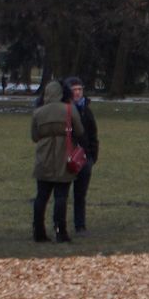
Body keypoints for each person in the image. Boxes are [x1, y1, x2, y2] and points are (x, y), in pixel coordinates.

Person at [30, 78, 86, 243]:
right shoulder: (69, 110)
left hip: (44, 158)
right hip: (64, 157)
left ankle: (38, 231)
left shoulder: (38, 113)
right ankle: (60, 231)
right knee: (61, 196)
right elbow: (80, 130)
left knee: (41, 197)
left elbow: (34, 136)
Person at [63, 76, 100, 235]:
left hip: (84, 158)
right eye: (74, 90)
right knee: (62, 194)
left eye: (79, 89)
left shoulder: (86, 110)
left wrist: (91, 157)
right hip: (65, 156)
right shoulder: (63, 109)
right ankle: (60, 225)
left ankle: (80, 225)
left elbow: (93, 135)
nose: (77, 93)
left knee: (80, 194)